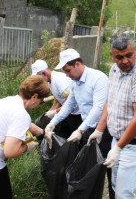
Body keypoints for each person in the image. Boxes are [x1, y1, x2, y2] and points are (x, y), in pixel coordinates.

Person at [87, 33, 136, 198]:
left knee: (123, 194)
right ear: (112, 55)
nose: (125, 61)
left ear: (135, 50)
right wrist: (99, 129)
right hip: (116, 140)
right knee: (114, 186)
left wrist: (118, 148)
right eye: (119, 57)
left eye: (129, 55)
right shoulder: (114, 70)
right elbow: (110, 101)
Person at [44, 48, 114, 198]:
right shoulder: (75, 82)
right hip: (88, 128)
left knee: (107, 164)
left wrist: (80, 130)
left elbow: (99, 108)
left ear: (77, 64)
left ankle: (114, 192)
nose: (67, 75)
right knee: (89, 166)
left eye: (68, 71)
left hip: (103, 129)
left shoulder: (98, 78)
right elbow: (69, 104)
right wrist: (53, 122)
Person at [31, 59, 81, 139]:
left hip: (77, 113)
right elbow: (58, 99)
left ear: (44, 73)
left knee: (72, 137)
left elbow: (73, 102)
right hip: (68, 112)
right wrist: (50, 111)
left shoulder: (58, 80)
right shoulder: (49, 81)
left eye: (38, 78)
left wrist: (55, 112)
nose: (38, 81)